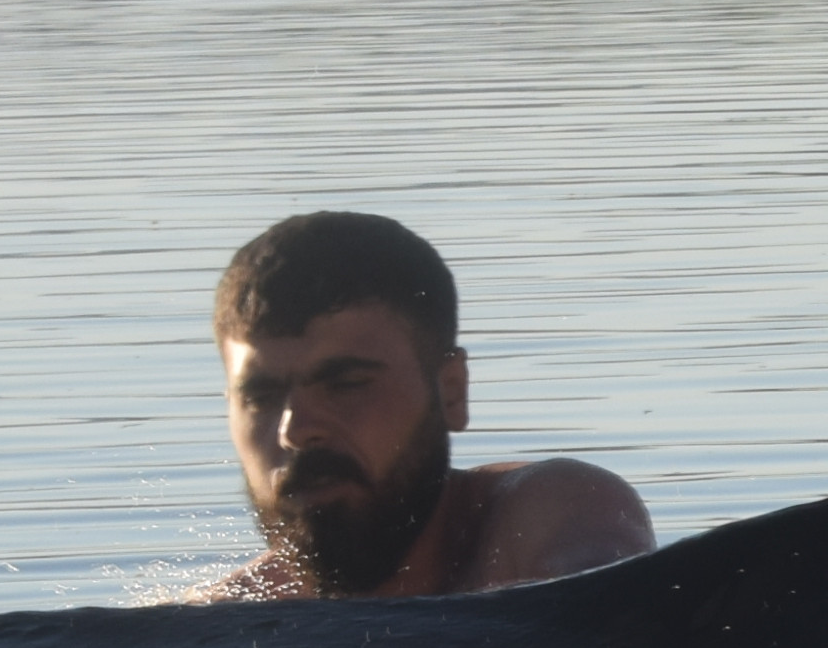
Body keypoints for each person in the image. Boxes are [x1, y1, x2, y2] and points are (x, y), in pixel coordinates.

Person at [182, 211, 657, 603]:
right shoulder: (219, 626)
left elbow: (611, 619)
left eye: (346, 384)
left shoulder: (543, 516)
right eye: (261, 398)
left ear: (451, 391)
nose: (296, 429)